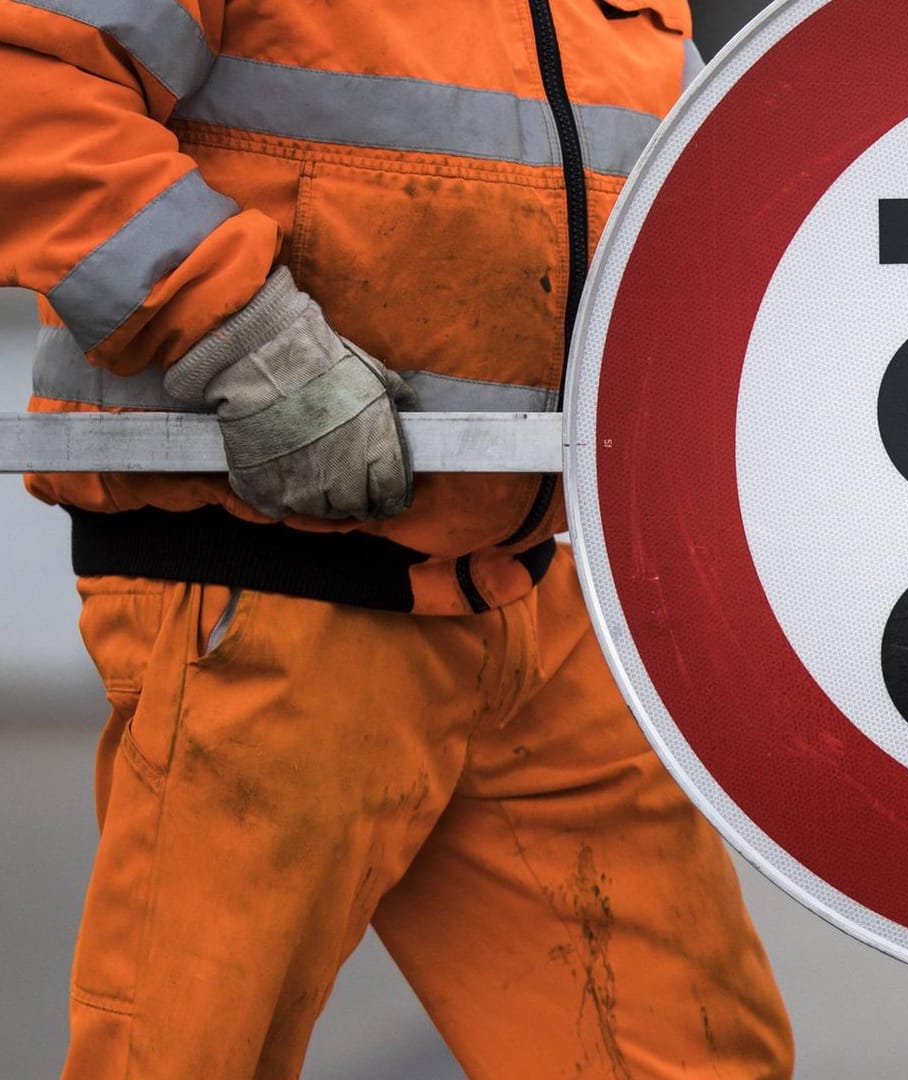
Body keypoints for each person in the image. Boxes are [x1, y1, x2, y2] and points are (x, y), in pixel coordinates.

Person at [0, 0, 794, 1076]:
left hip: (533, 604)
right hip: (265, 598)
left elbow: (690, 196)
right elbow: (27, 81)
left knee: (686, 1056)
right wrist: (241, 337)